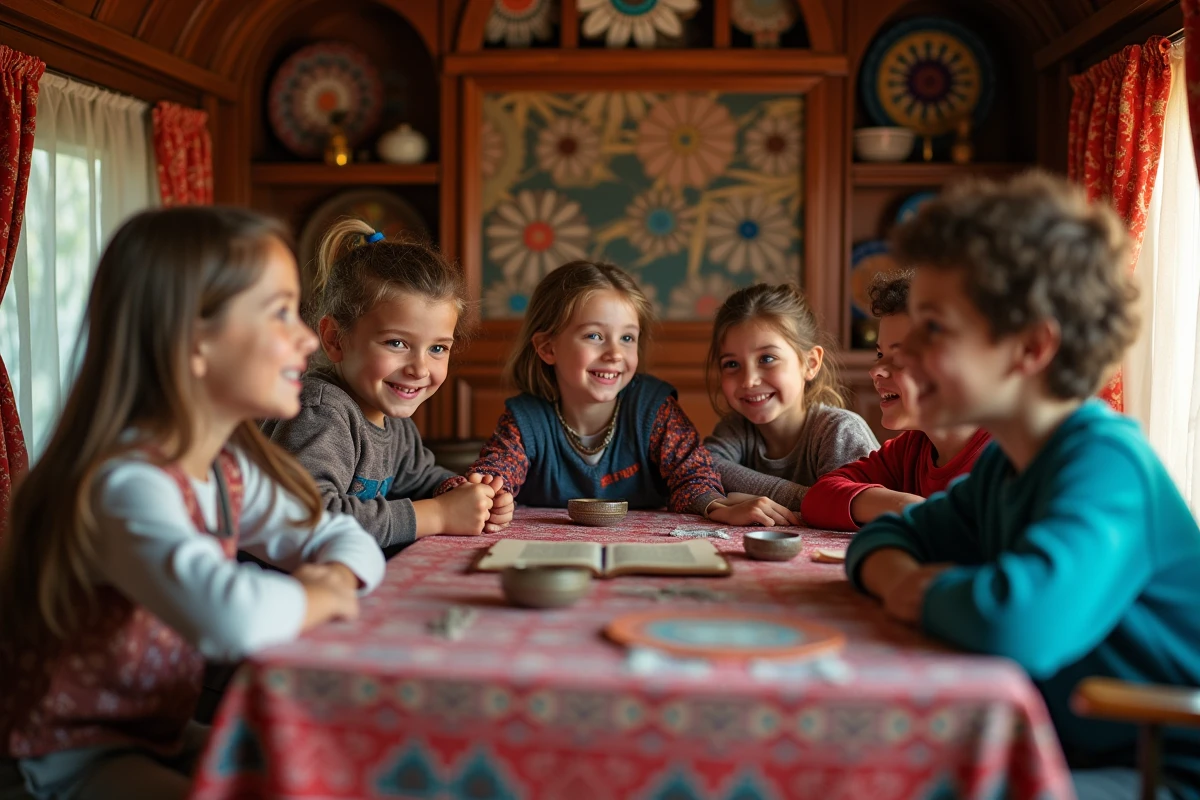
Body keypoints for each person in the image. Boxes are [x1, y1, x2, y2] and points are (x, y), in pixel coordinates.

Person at [0, 207, 385, 799]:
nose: (308, 337)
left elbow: (344, 536)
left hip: (160, 733)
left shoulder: (227, 471)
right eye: (281, 312)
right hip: (65, 760)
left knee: (325, 775)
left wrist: (333, 572)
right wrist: (321, 593)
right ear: (194, 339)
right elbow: (230, 619)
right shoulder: (126, 484)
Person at [844, 172, 1200, 800]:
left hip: (1156, 770)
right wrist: (904, 578)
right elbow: (883, 539)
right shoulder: (1005, 468)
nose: (907, 353)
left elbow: (1018, 626)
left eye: (936, 328)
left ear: (1031, 347)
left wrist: (927, 594)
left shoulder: (1108, 465)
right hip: (1065, 748)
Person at [440, 261, 796, 527]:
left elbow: (692, 474)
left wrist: (718, 507)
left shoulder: (653, 410)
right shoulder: (525, 421)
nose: (614, 353)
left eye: (627, 338)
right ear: (547, 348)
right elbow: (495, 472)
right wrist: (481, 493)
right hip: (547, 557)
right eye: (594, 336)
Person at [263, 221, 512, 553]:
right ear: (335, 339)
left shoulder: (393, 422)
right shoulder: (321, 412)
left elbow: (421, 479)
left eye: (438, 348)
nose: (419, 368)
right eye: (396, 343)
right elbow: (305, 518)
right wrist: (438, 515)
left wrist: (466, 492)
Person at [801, 271, 989, 530]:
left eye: (901, 356)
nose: (876, 370)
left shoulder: (1004, 456)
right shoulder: (911, 449)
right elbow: (819, 497)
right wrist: (909, 507)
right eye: (879, 353)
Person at [703, 283, 879, 514]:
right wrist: (811, 498)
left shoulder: (840, 431)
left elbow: (851, 508)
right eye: (732, 364)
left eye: (767, 358)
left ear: (810, 363)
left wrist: (808, 499)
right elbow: (704, 466)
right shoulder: (737, 429)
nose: (748, 380)